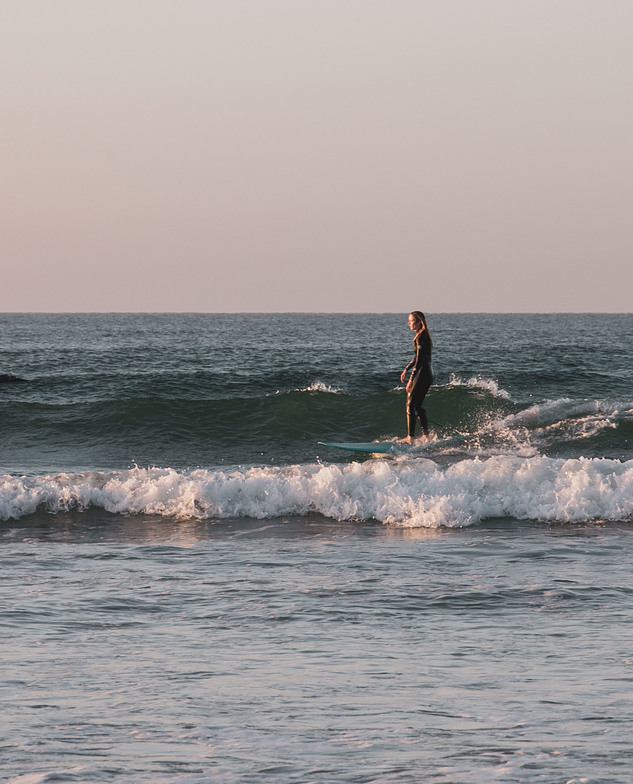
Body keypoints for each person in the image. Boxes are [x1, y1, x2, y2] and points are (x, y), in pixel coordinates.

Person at [398, 311, 434, 443]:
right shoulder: (422, 336)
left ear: (419, 322)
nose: (409, 323)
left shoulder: (421, 337)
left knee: (411, 404)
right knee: (417, 406)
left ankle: (410, 437)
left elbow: (419, 361)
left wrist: (411, 380)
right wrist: (406, 369)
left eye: (411, 320)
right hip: (427, 373)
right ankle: (426, 435)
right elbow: (417, 357)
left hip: (423, 374)